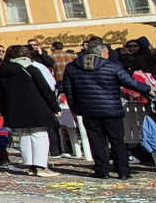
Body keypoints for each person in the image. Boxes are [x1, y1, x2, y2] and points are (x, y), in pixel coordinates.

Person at [60, 38, 144, 180]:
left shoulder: (72, 67)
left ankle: (102, 170)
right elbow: (131, 82)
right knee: (117, 140)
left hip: (88, 109)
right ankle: (123, 171)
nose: (108, 54)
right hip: (111, 109)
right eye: (106, 52)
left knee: (96, 140)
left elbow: (69, 90)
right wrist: (149, 89)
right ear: (101, 53)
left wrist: (75, 108)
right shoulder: (112, 66)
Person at [0, 45, 61, 175]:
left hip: (14, 109)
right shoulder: (30, 68)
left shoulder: (1, 71)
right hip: (36, 107)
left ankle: (31, 166)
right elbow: (45, 89)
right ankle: (41, 167)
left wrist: (4, 110)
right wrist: (55, 107)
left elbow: (0, 93)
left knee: (23, 136)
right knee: (39, 135)